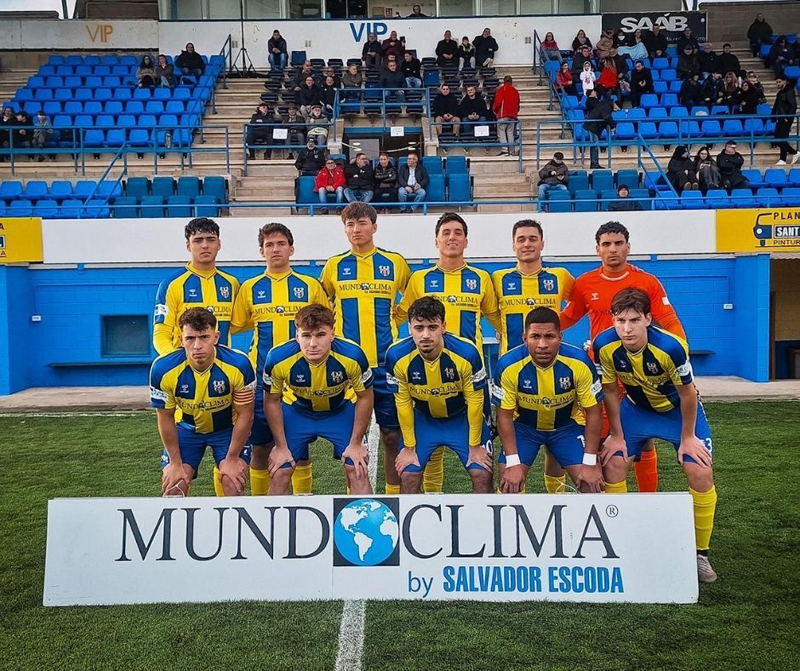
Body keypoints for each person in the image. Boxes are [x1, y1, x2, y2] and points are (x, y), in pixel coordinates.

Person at [595, 288, 718, 584]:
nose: (627, 328)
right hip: (636, 411)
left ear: (648, 319)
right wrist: (616, 435)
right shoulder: (604, 345)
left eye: (634, 320)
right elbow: (611, 391)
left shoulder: (671, 347)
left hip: (678, 413)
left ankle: (700, 553)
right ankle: (619, 542)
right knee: (613, 461)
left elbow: (687, 393)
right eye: (621, 320)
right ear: (612, 320)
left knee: (699, 470)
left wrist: (688, 437)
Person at [559, 221, 687, 495]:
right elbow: (569, 316)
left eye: (618, 243)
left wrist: (681, 356)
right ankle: (613, 503)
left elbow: (669, 320)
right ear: (597, 249)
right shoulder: (585, 283)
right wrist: (535, 330)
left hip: (638, 372)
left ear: (628, 246)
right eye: (606, 244)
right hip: (602, 370)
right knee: (606, 437)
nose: (613, 249)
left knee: (643, 439)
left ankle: (647, 499)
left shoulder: (647, 282)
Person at [396, 213, 500, 493]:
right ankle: (432, 501)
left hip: (469, 376)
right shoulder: (420, 279)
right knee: (429, 452)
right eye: (446, 232)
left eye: (457, 232)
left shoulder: (481, 278)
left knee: (481, 460)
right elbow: (402, 316)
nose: (451, 237)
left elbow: (496, 318)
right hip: (427, 371)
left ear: (466, 240)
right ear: (436, 240)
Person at [320, 202, 412, 495]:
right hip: (347, 367)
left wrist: (394, 320)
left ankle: (393, 496)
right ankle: (355, 498)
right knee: (351, 439)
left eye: (361, 223)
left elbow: (411, 301)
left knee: (391, 434)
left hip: (385, 364)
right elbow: (324, 305)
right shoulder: (334, 265)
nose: (356, 229)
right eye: (350, 224)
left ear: (374, 226)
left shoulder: (394, 262)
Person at [231, 223, 328, 496]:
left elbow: (326, 326)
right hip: (263, 380)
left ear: (291, 248)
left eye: (281, 243)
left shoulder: (310, 286)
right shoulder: (250, 288)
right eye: (269, 245)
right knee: (260, 447)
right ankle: (262, 505)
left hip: (302, 382)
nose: (276, 249)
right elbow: (237, 324)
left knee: (300, 448)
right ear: (261, 251)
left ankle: (304, 501)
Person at [262, 305, 374, 495]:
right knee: (280, 470)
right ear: (296, 335)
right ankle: (275, 524)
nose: (313, 343)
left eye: (320, 335)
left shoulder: (353, 355)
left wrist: (356, 443)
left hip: (340, 411)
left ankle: (366, 525)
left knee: (357, 468)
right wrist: (280, 446)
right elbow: (271, 400)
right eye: (306, 336)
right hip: (297, 411)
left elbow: (365, 396)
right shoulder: (277, 358)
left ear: (332, 334)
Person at [387, 297, 493, 494]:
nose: (426, 335)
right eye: (419, 328)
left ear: (443, 326)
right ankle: (413, 524)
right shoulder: (396, 356)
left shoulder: (467, 353)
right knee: (408, 474)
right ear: (409, 328)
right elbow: (402, 402)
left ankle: (484, 523)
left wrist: (475, 445)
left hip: (461, 418)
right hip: (424, 419)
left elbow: (476, 400)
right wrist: (409, 448)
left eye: (432, 327)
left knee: (482, 472)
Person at [494, 306, 604, 495]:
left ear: (560, 337)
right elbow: (504, 416)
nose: (542, 344)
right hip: (524, 427)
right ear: (524, 338)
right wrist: (512, 463)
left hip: (567, 427)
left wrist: (590, 462)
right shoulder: (508, 365)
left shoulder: (580, 362)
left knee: (591, 485)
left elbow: (594, 412)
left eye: (549, 336)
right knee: (508, 487)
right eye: (535, 336)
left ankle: (561, 501)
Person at [151, 307, 254, 498]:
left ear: (216, 337)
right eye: (190, 338)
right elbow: (165, 417)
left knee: (232, 483)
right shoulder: (162, 368)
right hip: (187, 429)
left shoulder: (239, 364)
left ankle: (233, 527)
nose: (197, 345)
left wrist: (232, 458)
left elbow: (245, 414)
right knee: (174, 487)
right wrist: (174, 463)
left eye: (204, 337)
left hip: (227, 430)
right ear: (181, 340)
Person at [153, 217, 239, 359]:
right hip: (184, 368)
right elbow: (161, 333)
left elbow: (239, 324)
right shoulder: (172, 284)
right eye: (198, 240)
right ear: (188, 245)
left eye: (211, 239)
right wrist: (175, 361)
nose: (205, 245)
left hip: (222, 367)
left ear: (219, 244)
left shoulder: (231, 283)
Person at [491, 219, 574, 357]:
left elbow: (580, 304)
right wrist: (503, 328)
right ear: (514, 245)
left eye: (533, 239)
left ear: (542, 244)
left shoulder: (560, 276)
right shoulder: (499, 278)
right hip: (512, 360)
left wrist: (557, 324)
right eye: (521, 240)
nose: (527, 244)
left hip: (550, 359)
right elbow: (488, 310)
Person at [584, 92, 618, 169]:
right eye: (617, 108)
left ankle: (595, 164)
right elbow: (607, 117)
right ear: (615, 104)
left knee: (595, 145)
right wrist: (613, 126)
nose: (617, 110)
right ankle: (594, 164)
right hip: (591, 126)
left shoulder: (606, 105)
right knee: (594, 145)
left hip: (595, 126)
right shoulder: (606, 106)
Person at [772, 74, 799, 165]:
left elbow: (793, 106)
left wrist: (788, 117)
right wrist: (773, 116)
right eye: (777, 82)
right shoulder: (780, 93)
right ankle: (794, 153)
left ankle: (783, 159)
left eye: (779, 82)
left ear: (785, 81)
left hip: (786, 119)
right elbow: (776, 106)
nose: (778, 84)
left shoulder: (790, 92)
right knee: (777, 139)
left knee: (782, 138)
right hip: (779, 118)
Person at [492, 75, 520, 156]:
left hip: (503, 114)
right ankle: (511, 152)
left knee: (501, 132)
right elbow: (518, 104)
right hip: (513, 116)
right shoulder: (515, 91)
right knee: (510, 133)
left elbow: (498, 102)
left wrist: (494, 110)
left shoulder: (502, 89)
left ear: (504, 81)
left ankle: (504, 150)